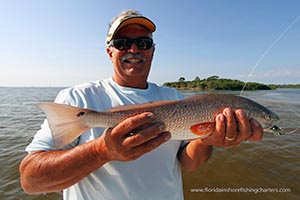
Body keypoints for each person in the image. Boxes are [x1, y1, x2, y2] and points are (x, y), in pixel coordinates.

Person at [19, 10, 263, 200]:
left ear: (153, 51)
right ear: (109, 51)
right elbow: (30, 180)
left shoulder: (178, 98)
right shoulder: (77, 98)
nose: (134, 49)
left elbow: (188, 164)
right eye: (123, 42)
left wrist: (208, 140)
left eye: (143, 44)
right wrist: (102, 151)